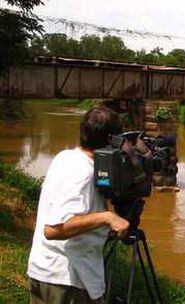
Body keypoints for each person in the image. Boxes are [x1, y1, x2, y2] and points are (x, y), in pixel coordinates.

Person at [27, 106, 130, 304]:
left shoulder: (66, 157)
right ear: (113, 142)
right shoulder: (83, 173)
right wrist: (107, 217)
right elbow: (53, 229)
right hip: (66, 281)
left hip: (47, 272)